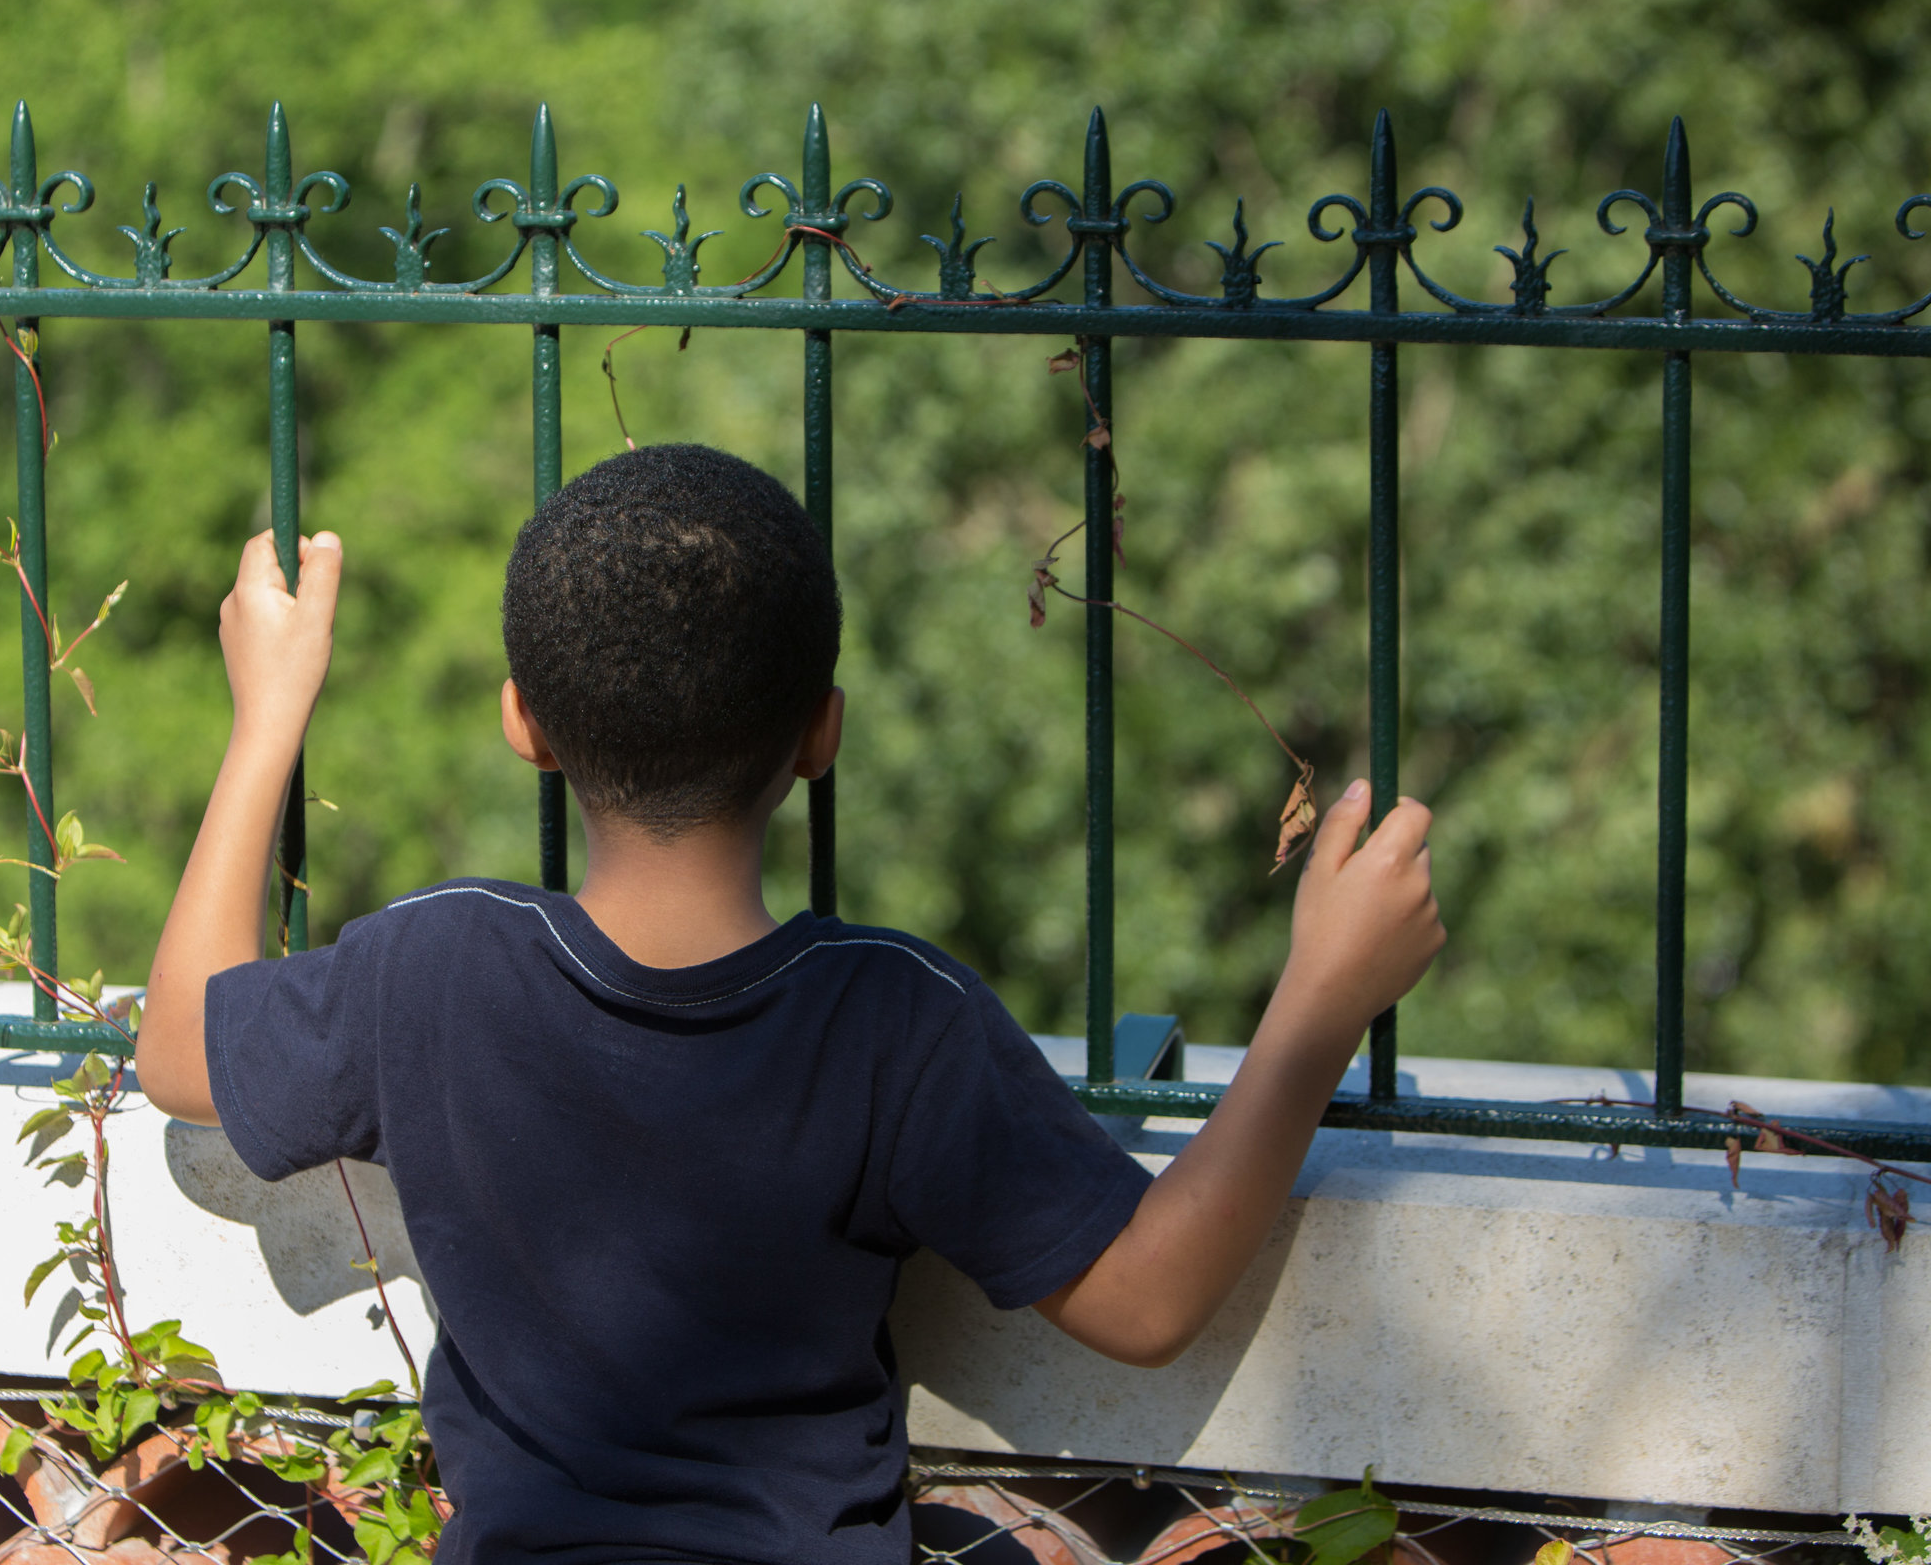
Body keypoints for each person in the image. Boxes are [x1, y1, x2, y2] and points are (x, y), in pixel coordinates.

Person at [135, 443, 1445, 1565]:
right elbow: (1146, 1304)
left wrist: (270, 716)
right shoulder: (891, 1024)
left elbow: (180, 1051)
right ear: (823, 735)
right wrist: (1320, 1000)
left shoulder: (431, 968)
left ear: (522, 723)